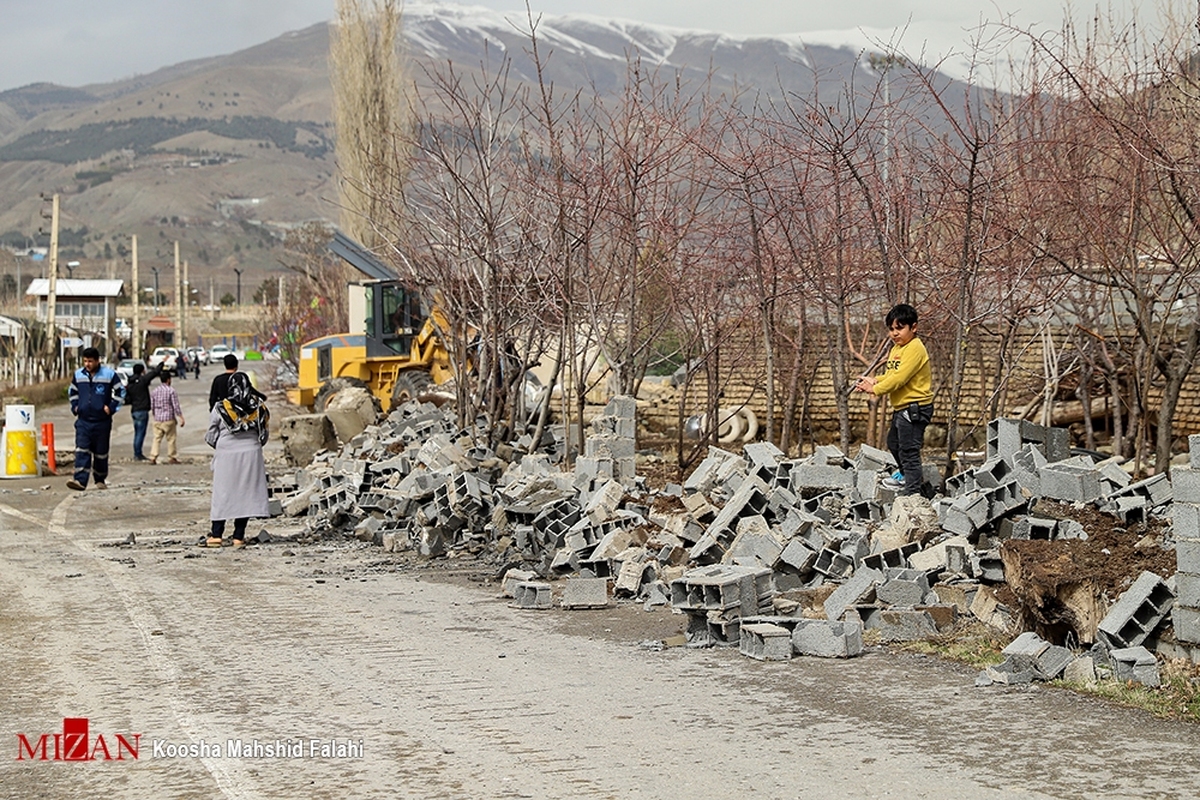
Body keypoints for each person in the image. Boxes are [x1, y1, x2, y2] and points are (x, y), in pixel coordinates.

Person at [855, 303, 934, 497]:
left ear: (913, 327)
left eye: (900, 328)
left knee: (909, 451)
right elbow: (892, 374)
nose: (894, 333)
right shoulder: (897, 348)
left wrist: (875, 389)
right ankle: (906, 476)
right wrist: (875, 379)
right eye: (891, 329)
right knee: (894, 443)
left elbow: (900, 379)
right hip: (903, 407)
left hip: (915, 407)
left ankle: (912, 495)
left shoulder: (915, 348)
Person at [205, 372, 270, 548]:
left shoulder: (220, 408)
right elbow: (264, 436)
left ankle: (217, 535)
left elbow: (211, 435)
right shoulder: (259, 406)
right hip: (252, 455)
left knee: (223, 494)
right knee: (245, 495)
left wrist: (221, 446)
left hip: (227, 454)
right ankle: (238, 537)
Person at [67, 347, 125, 491]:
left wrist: (111, 407)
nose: (87, 364)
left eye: (90, 361)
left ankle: (100, 479)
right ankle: (80, 481)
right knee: (82, 450)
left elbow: (121, 391)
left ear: (97, 361)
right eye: (85, 361)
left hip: (102, 422)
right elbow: (72, 392)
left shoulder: (109, 375)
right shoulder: (78, 375)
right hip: (83, 421)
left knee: (101, 452)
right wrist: (75, 406)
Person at [124, 361, 162, 461]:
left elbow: (127, 398)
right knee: (140, 433)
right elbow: (153, 373)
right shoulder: (142, 380)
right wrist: (161, 364)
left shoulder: (130, 383)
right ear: (142, 371)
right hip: (142, 410)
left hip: (134, 410)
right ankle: (138, 454)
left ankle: (137, 451)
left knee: (137, 432)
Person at [149, 372, 185, 465]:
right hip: (168, 418)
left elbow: (152, 405)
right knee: (171, 438)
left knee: (157, 438)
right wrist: (181, 417)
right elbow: (175, 405)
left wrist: (154, 415)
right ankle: (172, 456)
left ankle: (153, 456)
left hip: (157, 418)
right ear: (168, 379)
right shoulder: (171, 391)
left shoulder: (155, 391)